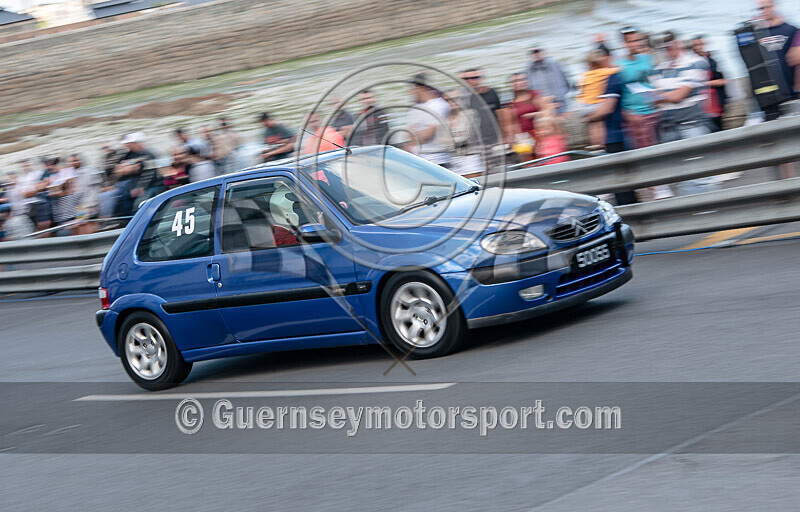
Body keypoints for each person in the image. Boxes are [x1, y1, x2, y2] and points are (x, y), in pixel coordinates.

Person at [653, 31, 720, 195]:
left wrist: (665, 96)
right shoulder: (660, 68)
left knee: (701, 172)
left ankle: (711, 208)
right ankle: (693, 211)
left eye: (670, 46)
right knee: (681, 175)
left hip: (692, 124)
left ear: (678, 44)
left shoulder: (696, 62)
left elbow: (678, 96)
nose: (668, 50)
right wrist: (666, 95)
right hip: (668, 127)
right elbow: (653, 98)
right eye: (664, 47)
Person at [585, 65, 633, 204]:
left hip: (614, 137)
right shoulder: (614, 76)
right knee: (624, 179)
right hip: (618, 134)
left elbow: (605, 109)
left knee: (621, 180)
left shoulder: (611, 78)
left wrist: (589, 117)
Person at [618, 26, 661, 150]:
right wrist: (627, 114)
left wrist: (657, 102)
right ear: (624, 44)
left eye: (638, 40)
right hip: (635, 116)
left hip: (653, 113)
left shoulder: (647, 59)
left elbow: (654, 81)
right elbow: (616, 92)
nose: (637, 44)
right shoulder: (619, 65)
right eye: (632, 41)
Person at [755, 0, 797, 106]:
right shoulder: (756, 35)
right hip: (771, 95)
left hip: (793, 91)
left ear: (774, 6)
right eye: (761, 8)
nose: (764, 11)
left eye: (767, 7)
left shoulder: (791, 30)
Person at [406, 73, 452, 167]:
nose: (411, 92)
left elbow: (426, 136)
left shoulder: (440, 105)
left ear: (421, 88)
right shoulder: (415, 108)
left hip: (439, 159)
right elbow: (409, 136)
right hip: (421, 160)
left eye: (413, 88)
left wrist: (417, 135)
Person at [577, 49, 619, 148]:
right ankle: (602, 143)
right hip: (597, 103)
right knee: (600, 123)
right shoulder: (605, 72)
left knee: (592, 125)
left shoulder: (585, 75)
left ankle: (594, 144)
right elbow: (619, 70)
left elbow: (581, 88)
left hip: (584, 104)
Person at [114, 132, 157, 217]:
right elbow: (120, 168)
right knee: (122, 197)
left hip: (152, 184)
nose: (129, 146)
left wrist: (140, 186)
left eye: (131, 144)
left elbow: (150, 173)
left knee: (138, 204)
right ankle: (125, 219)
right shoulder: (129, 154)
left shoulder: (148, 154)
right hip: (134, 184)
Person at [442, 90, 483, 175]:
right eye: (447, 100)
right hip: (453, 159)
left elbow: (466, 137)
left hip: (469, 158)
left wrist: (448, 140)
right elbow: (440, 142)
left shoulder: (471, 114)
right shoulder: (444, 119)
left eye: (455, 99)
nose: (451, 102)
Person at [692, 35, 727, 131]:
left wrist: (703, 83)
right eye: (695, 45)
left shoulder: (712, 61)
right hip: (701, 106)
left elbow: (722, 81)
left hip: (715, 102)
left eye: (700, 44)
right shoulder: (691, 63)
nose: (697, 48)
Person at [503, 72, 540, 162]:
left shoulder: (535, 96)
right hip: (523, 137)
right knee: (528, 160)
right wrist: (510, 139)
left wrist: (534, 115)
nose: (518, 83)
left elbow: (547, 111)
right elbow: (509, 125)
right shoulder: (510, 104)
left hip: (540, 132)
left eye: (521, 80)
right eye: (515, 81)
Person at [460, 68, 502, 146]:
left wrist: (503, 136)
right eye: (466, 79)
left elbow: (501, 115)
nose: (470, 80)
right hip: (475, 139)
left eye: (474, 78)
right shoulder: (462, 97)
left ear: (481, 78)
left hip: (494, 135)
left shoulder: (492, 92)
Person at [525, 47, 571, 114]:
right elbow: (529, 87)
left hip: (559, 101)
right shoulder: (529, 69)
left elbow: (566, 81)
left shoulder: (554, 63)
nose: (536, 54)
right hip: (543, 104)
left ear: (543, 52)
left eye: (538, 51)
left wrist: (562, 96)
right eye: (533, 52)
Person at [69, 154, 102, 234]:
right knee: (81, 226)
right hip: (80, 206)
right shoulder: (72, 173)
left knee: (88, 226)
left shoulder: (90, 171)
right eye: (72, 161)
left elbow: (96, 188)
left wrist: (93, 204)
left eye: (76, 160)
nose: (74, 163)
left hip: (89, 203)